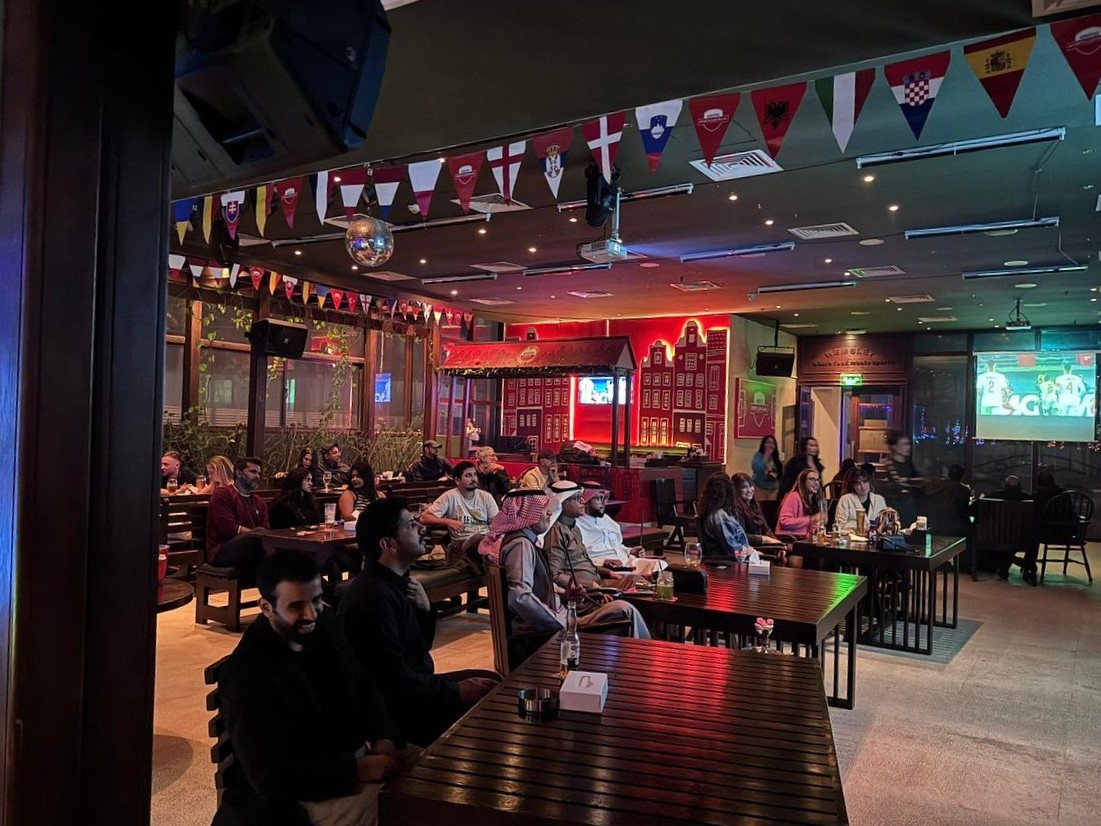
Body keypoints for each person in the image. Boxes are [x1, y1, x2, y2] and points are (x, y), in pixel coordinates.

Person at [213, 551, 408, 826]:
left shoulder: (324, 624)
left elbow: (362, 683)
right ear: (266, 607)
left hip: (349, 761)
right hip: (295, 802)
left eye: (316, 600)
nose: (311, 614)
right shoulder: (247, 672)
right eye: (296, 606)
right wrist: (356, 770)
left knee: (432, 784)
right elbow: (271, 779)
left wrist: (382, 735)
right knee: (409, 811)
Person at [340, 497, 500, 747]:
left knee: (491, 681)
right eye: (411, 525)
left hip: (416, 687)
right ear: (388, 544)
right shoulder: (372, 597)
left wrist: (425, 610)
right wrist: (455, 692)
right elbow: (392, 679)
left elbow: (418, 649)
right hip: (398, 710)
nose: (422, 528)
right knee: (492, 702)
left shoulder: (399, 583)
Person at [479, 489, 651, 639]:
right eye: (543, 509)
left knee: (626, 601)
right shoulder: (521, 545)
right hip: (556, 627)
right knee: (623, 610)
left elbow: (538, 587)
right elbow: (519, 597)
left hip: (563, 613)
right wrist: (560, 624)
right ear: (526, 514)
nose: (549, 513)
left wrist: (565, 594)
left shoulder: (525, 542)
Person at [545, 481, 631, 590]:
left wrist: (608, 572)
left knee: (636, 581)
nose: (583, 501)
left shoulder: (574, 528)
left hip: (598, 582)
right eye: (577, 498)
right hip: (583, 591)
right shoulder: (556, 533)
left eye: (582, 497)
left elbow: (583, 564)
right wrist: (589, 585)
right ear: (563, 502)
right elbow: (553, 575)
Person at [574, 483, 666, 576]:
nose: (604, 503)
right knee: (633, 576)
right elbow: (577, 558)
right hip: (604, 567)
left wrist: (630, 551)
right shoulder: (576, 525)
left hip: (625, 561)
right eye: (599, 498)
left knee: (660, 565)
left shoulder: (607, 520)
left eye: (604, 498)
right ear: (586, 501)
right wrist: (603, 561)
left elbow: (617, 545)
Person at [420, 461, 499, 564]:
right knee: (479, 539)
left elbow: (497, 523)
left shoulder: (486, 497)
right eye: (468, 475)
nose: (474, 479)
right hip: (463, 542)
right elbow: (424, 518)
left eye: (475, 474)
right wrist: (448, 522)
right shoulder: (449, 496)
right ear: (457, 480)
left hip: (487, 540)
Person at [206, 457, 270, 568]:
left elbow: (266, 529)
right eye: (253, 472)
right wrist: (257, 534)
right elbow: (229, 529)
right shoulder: (222, 494)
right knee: (258, 538)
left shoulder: (259, 501)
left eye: (259, 473)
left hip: (252, 546)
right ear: (239, 473)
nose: (258, 476)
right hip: (222, 550)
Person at [1021, 471, 1065, 586]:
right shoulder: (1064, 495)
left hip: (1046, 532)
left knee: (1031, 534)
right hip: (1065, 531)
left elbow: (1033, 514)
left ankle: (1029, 567)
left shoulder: (1038, 496)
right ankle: (1027, 564)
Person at [696, 473, 753, 557]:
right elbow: (733, 549)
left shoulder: (711, 512)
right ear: (729, 492)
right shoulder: (720, 516)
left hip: (730, 557)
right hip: (729, 560)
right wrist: (750, 551)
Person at [730, 473, 787, 557]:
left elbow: (766, 530)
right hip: (749, 550)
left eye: (751, 486)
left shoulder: (755, 505)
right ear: (736, 490)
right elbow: (742, 536)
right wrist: (767, 540)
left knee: (784, 554)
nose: (749, 490)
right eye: (744, 487)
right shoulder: (737, 508)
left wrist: (778, 545)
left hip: (764, 547)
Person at [833, 468, 888, 532]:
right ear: (852, 486)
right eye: (858, 484)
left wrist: (852, 523)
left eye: (865, 482)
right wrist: (861, 526)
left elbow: (885, 523)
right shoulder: (845, 500)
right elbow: (839, 525)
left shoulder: (879, 499)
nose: (863, 487)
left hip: (875, 536)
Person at [777, 468, 824, 539]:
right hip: (789, 538)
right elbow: (784, 521)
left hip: (804, 538)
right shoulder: (794, 496)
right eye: (812, 479)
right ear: (803, 482)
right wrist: (810, 519)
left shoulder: (813, 500)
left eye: (817, 480)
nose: (816, 483)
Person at [778, 436, 825, 501]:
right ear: (805, 446)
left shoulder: (818, 465)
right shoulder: (795, 462)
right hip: (798, 495)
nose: (814, 448)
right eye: (811, 445)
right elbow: (788, 481)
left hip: (814, 496)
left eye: (816, 446)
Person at [750, 435, 783, 501]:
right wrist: (766, 455)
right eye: (768, 443)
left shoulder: (775, 458)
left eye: (772, 443)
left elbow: (779, 473)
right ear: (763, 444)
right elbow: (757, 468)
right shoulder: (758, 455)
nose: (770, 445)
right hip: (759, 487)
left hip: (773, 489)